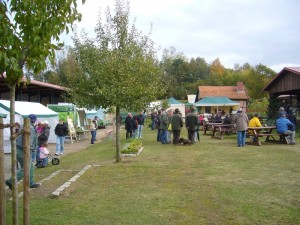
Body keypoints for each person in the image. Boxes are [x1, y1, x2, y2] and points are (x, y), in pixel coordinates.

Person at [5, 114, 40, 189]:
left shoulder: (24, 125)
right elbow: (27, 140)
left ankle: (30, 182)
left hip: (21, 149)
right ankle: (11, 181)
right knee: (26, 167)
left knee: (30, 167)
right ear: (33, 120)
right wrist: (29, 150)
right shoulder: (29, 127)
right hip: (23, 149)